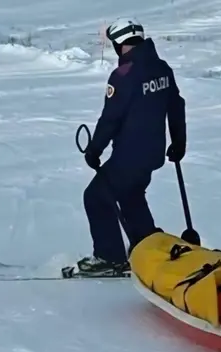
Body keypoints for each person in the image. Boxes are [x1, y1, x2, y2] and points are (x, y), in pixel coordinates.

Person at [74, 17, 187, 277]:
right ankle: (144, 245)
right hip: (152, 155)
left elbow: (111, 118)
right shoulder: (161, 68)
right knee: (131, 195)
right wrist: (178, 142)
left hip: (129, 157)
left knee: (96, 197)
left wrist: (94, 149)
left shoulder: (124, 75)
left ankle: (109, 258)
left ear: (119, 44)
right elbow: (176, 105)